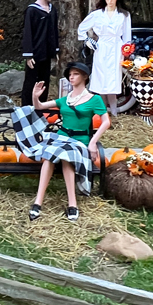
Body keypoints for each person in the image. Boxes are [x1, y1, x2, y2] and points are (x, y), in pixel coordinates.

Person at [18, 62, 109, 222]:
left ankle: (72, 203)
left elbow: (106, 122)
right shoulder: (66, 99)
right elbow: (39, 107)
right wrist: (35, 96)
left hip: (79, 140)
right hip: (61, 137)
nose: (71, 77)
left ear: (85, 77)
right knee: (50, 156)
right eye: (70, 74)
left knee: (66, 157)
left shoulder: (94, 99)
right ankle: (38, 201)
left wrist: (93, 142)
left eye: (76, 74)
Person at [77, 0, 132, 115]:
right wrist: (87, 40)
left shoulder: (124, 15)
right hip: (101, 47)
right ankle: (102, 112)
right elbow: (82, 28)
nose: (110, 1)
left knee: (113, 78)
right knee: (101, 78)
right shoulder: (97, 15)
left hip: (116, 47)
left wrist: (127, 50)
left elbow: (127, 35)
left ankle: (114, 111)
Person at [21, 0, 59, 106]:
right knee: (31, 81)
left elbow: (54, 30)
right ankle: (27, 108)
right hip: (35, 53)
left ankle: (41, 107)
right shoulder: (32, 10)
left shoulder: (52, 10)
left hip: (47, 52)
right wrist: (28, 54)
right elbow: (28, 33)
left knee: (44, 81)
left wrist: (55, 50)